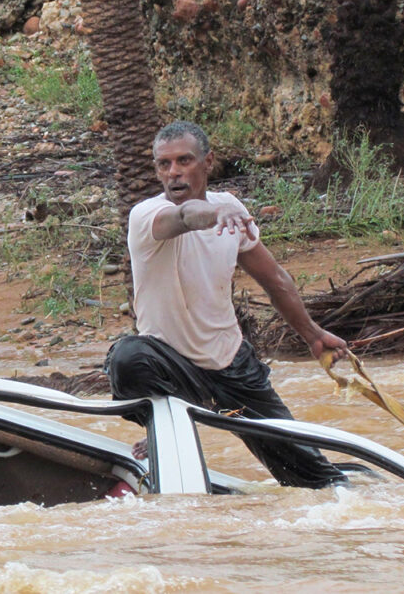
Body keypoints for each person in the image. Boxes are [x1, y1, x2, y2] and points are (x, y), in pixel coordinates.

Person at [105, 120, 349, 489]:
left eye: (184, 161)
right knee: (126, 358)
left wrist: (313, 335)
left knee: (317, 478)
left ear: (208, 162)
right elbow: (186, 216)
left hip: (232, 364)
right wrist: (215, 214)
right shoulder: (147, 216)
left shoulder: (231, 208)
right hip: (169, 365)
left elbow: (276, 280)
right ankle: (167, 425)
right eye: (164, 164)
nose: (174, 173)